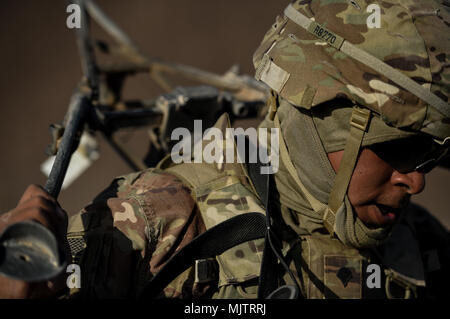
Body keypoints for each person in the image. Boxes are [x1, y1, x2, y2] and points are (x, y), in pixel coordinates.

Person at [0, 0, 449, 299]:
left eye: (431, 153)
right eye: (398, 149)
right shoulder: (160, 225)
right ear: (321, 124)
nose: (416, 180)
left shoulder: (419, 243)